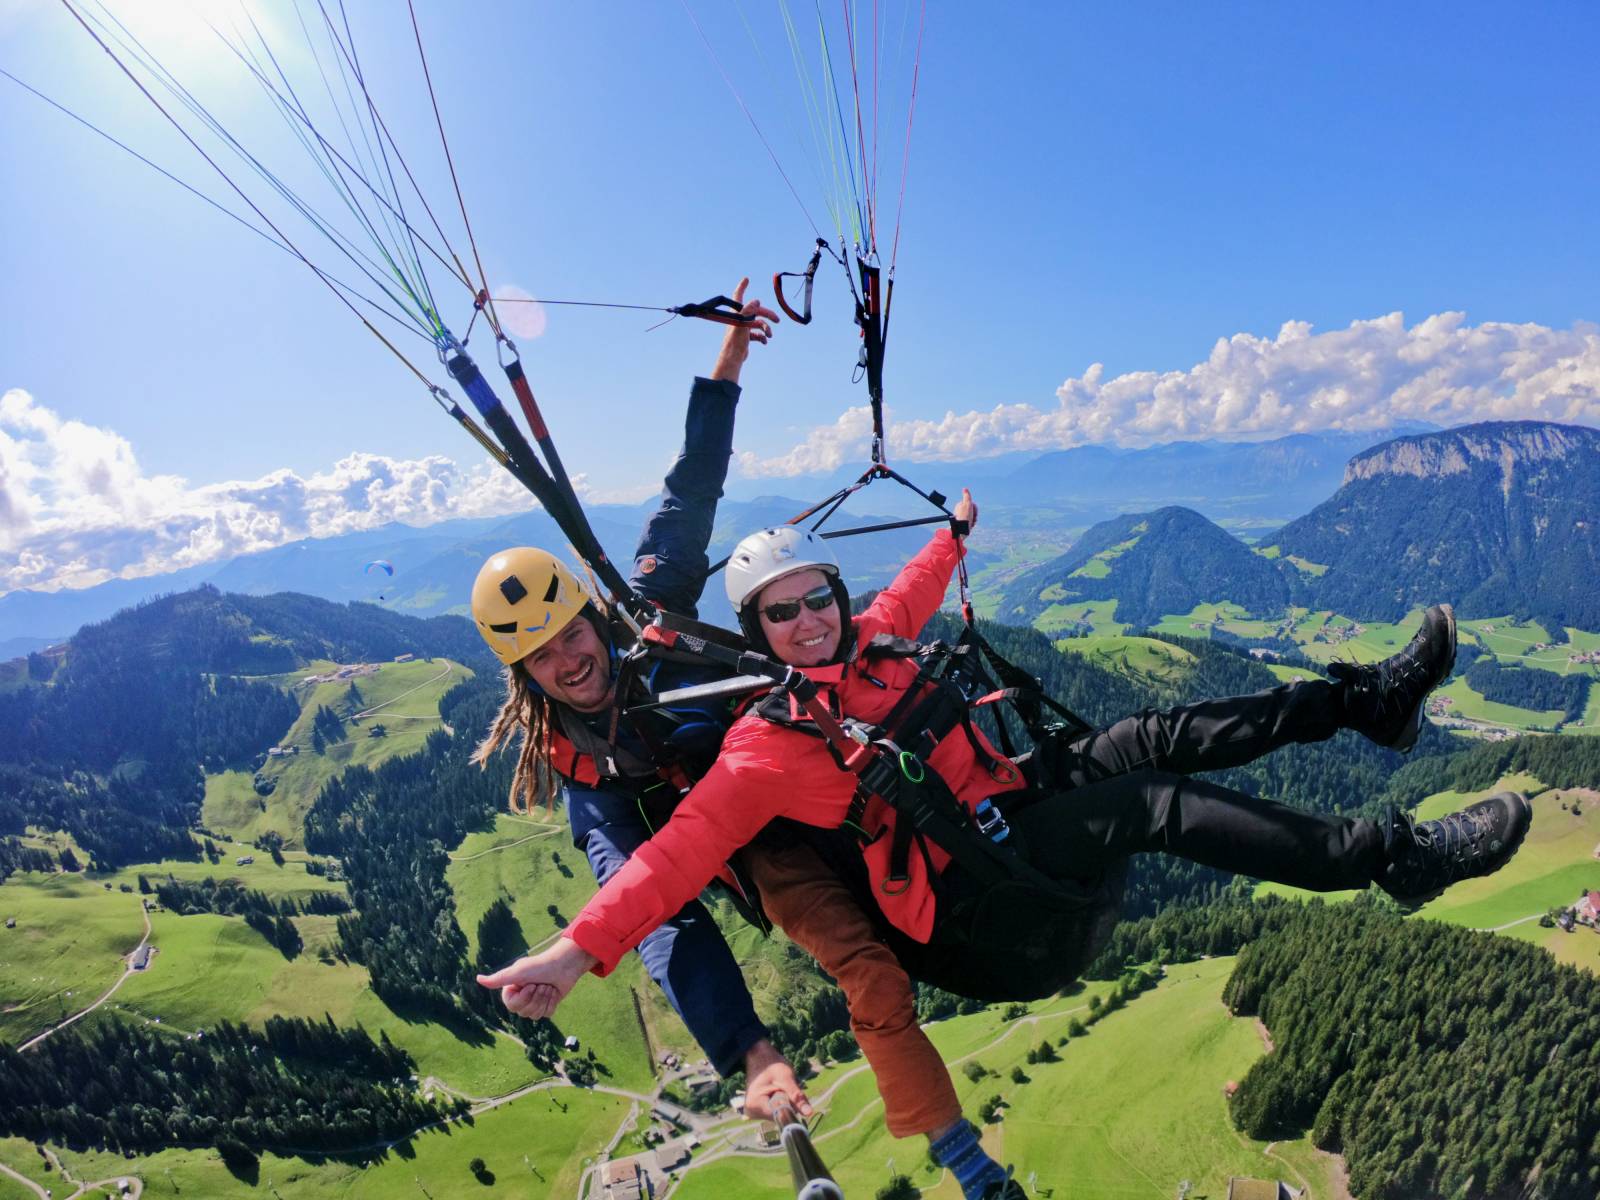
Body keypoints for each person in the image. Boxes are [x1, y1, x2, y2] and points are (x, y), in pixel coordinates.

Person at [478, 490, 1532, 1196]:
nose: (808, 621)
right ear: (756, 638)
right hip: (975, 906)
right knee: (1147, 801)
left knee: (1145, 736)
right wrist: (576, 953)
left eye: (818, 600)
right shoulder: (764, 746)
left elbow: (912, 589)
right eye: (782, 615)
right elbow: (674, 859)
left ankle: (1371, 704)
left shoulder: (873, 641)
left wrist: (956, 533)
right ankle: (1397, 857)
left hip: (1008, 813)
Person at [467, 279, 815, 1114]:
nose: (570, 662)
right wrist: (750, 1052)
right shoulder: (585, 773)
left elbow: (690, 491)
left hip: (799, 751)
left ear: (595, 616)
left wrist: (725, 363)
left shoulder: (648, 609)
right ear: (524, 679)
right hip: (757, 836)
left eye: (573, 635)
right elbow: (654, 912)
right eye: (542, 658)